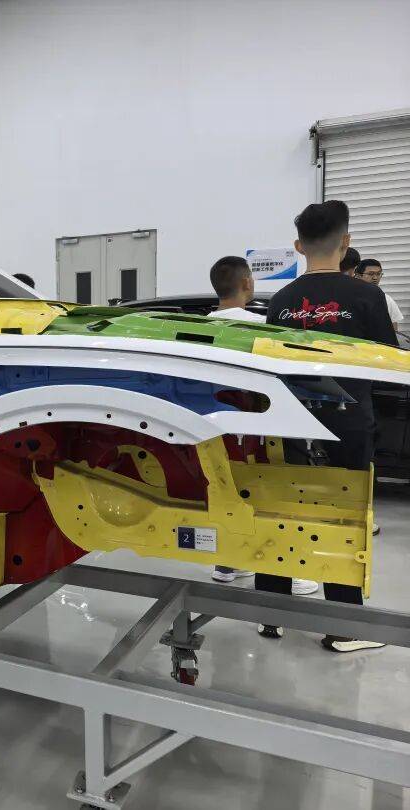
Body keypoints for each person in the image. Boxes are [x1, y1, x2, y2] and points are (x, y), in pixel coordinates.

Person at [261, 200, 397, 652]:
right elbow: (387, 363)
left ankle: (270, 615)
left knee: (281, 510)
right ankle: (343, 626)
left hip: (289, 420)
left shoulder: (281, 301)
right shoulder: (368, 297)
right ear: (346, 242)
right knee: (343, 517)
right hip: (348, 422)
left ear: (299, 246)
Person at [205, 257, 318, 592]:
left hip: (213, 426)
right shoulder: (260, 325)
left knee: (225, 489)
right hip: (255, 426)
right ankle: (280, 568)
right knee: (265, 495)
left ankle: (227, 564)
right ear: (247, 283)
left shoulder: (200, 325)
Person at [355, 259, 403, 331]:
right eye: (371, 274)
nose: (375, 278)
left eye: (378, 274)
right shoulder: (349, 296)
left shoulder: (387, 299)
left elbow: (394, 329)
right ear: (358, 275)